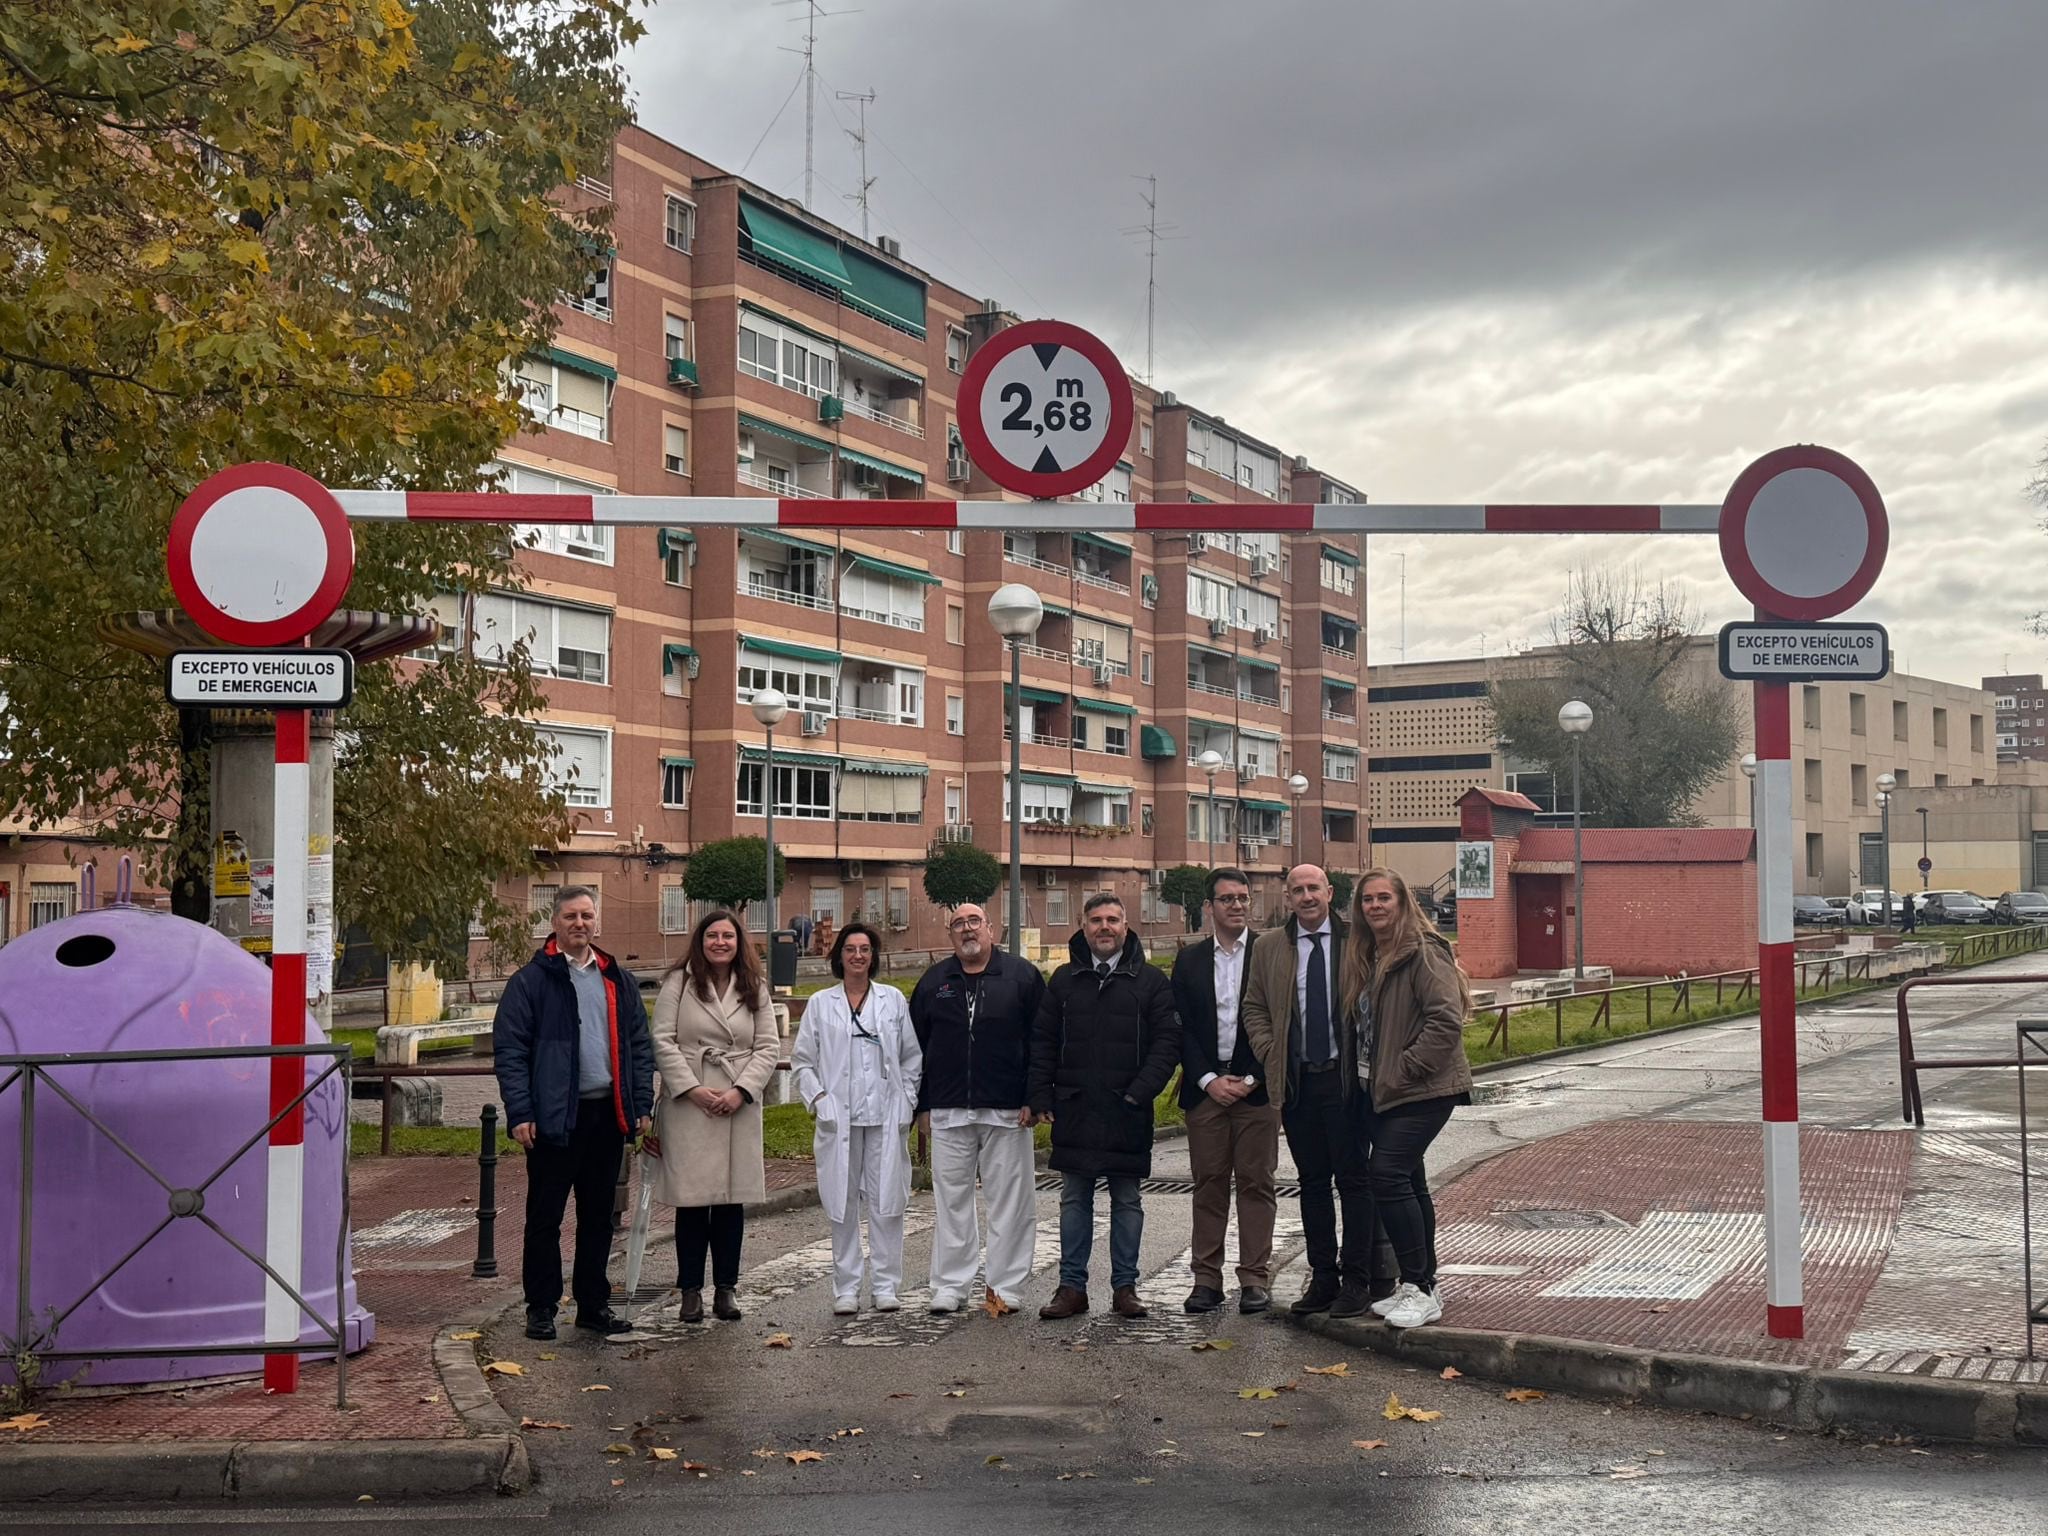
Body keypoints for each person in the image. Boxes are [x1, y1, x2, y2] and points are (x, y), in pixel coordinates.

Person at [494, 886, 654, 1342]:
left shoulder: (615, 978)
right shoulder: (531, 981)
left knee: (599, 1217)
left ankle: (592, 1305)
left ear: (597, 921)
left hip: (608, 1116)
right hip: (553, 1120)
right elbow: (510, 1051)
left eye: (586, 915)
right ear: (555, 923)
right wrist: (520, 1111)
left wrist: (641, 1102)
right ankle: (541, 1308)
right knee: (545, 1219)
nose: (579, 923)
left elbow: (639, 1045)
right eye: (570, 916)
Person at [1030, 894, 1183, 1320]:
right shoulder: (1063, 981)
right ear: (1082, 926)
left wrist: (1140, 1092)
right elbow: (1042, 1041)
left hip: (1126, 1110)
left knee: (1127, 1201)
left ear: (1126, 925)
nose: (1104, 927)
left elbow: (1167, 1045)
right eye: (1096, 920)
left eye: (1112, 919)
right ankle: (1071, 1288)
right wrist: (1040, 1095)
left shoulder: (1151, 982)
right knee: (1073, 1199)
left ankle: (1125, 1288)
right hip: (1075, 1107)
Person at [1240, 864, 1377, 1319]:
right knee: (1312, 1184)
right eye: (1297, 890)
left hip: (1346, 1082)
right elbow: (1254, 1006)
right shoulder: (1270, 947)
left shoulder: (1356, 940)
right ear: (1287, 897)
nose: (1306, 896)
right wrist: (1271, 1050)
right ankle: (1323, 1278)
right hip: (1298, 1084)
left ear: (1329, 892)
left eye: (1312, 888)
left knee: (1354, 1182)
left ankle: (1358, 1279)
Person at [1341, 868, 1474, 1330]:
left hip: (1421, 1089)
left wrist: (1402, 1070)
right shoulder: (1371, 954)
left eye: (1384, 898)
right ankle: (1424, 1284)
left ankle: (1418, 1286)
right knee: (1411, 1183)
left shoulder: (1422, 951)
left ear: (1402, 903)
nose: (1375, 906)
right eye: (1367, 900)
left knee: (1388, 1174)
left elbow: (1445, 1021)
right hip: (1382, 1092)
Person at [910, 902, 1047, 1314]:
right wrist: (922, 1105)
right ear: (949, 935)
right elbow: (913, 1050)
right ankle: (950, 1285)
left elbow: (1042, 1041)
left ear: (991, 928)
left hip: (1007, 1110)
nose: (967, 930)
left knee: (1011, 1202)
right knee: (951, 1201)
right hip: (949, 1109)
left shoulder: (1022, 977)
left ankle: (1005, 1288)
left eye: (974, 922)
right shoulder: (935, 982)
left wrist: (1035, 1096)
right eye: (958, 924)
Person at [648, 909, 781, 1324]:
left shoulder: (753, 986)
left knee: (729, 1202)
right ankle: (690, 1291)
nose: (720, 943)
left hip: (737, 1102)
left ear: (739, 942)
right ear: (700, 941)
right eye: (712, 936)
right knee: (692, 1203)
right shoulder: (680, 982)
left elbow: (769, 1046)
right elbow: (662, 1040)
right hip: (691, 1103)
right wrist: (692, 1089)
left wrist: (742, 1091)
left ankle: (726, 1289)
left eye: (728, 936)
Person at [791, 922, 923, 1314]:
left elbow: (911, 1057)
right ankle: (846, 1288)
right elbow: (802, 1063)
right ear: (839, 956)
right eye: (850, 949)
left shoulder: (893, 1000)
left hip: (885, 1116)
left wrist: (907, 1100)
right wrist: (819, 1100)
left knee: (887, 1204)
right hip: (839, 1121)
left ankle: (885, 1285)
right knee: (842, 1203)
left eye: (865, 949)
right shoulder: (820, 1004)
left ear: (874, 956)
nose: (858, 956)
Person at [1171, 868, 1280, 1316]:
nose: (1237, 905)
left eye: (1242, 898)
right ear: (1209, 907)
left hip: (1257, 1092)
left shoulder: (1271, 953)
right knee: (1209, 1184)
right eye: (1227, 899)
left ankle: (1254, 1280)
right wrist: (1208, 1080)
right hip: (1206, 1092)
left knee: (1257, 1184)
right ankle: (1205, 1280)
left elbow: (1279, 1020)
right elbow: (1181, 1029)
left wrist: (1252, 1077)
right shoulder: (1190, 960)